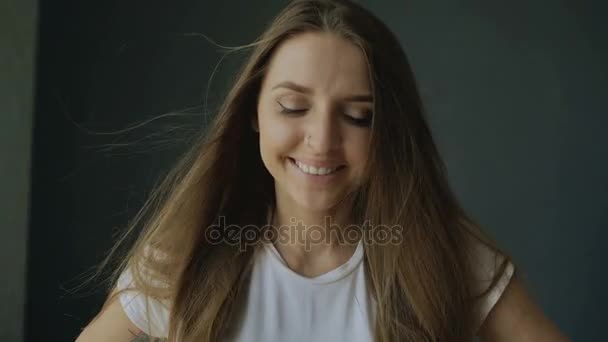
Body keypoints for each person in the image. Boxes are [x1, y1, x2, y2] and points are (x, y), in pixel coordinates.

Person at [75, 0, 569, 341]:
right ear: (254, 112)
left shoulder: (445, 254)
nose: (322, 140)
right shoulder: (189, 250)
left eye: (357, 116)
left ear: (388, 131)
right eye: (293, 107)